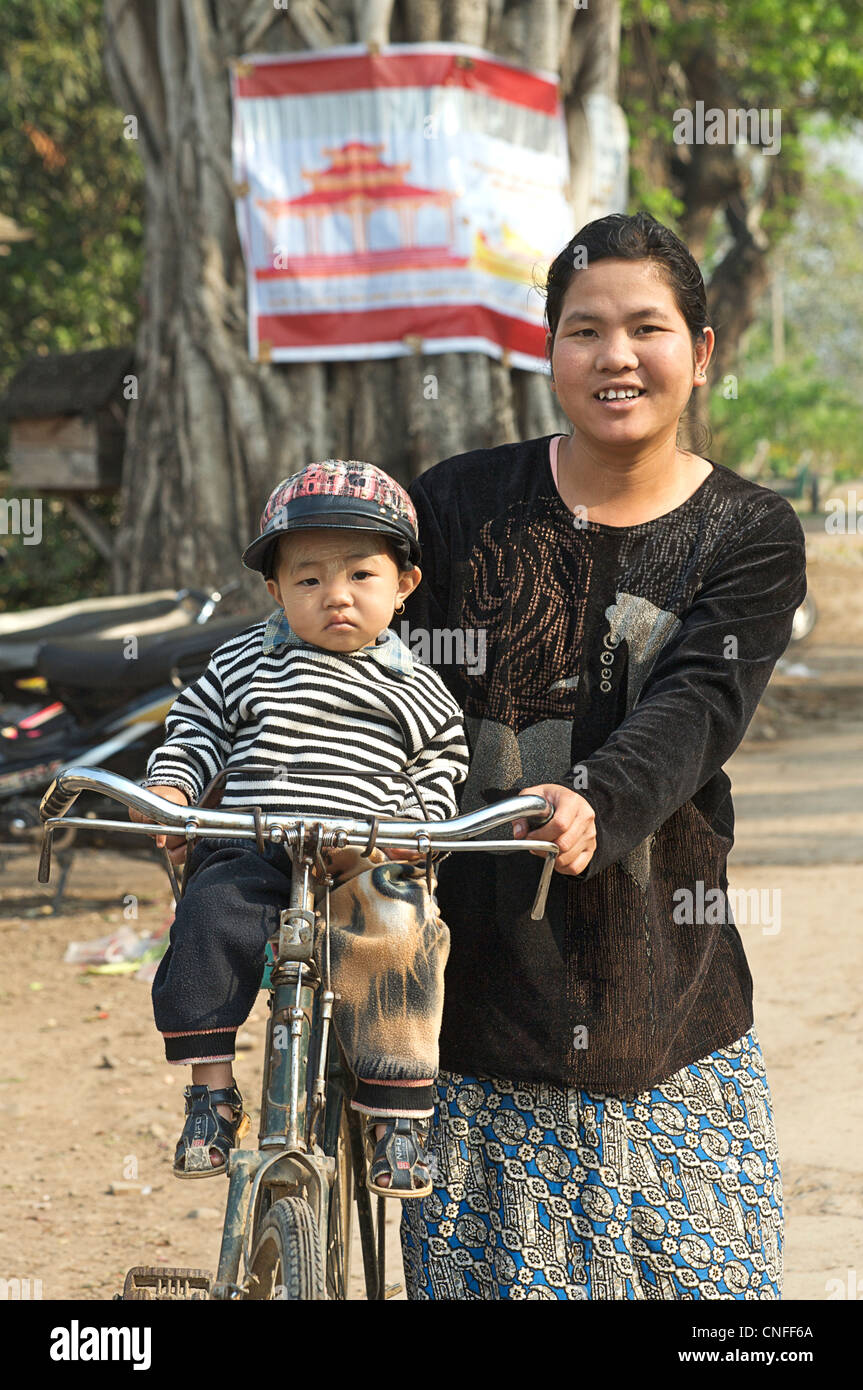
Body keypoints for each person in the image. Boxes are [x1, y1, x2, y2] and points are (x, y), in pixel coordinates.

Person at [399, 211, 807, 1299]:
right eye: (582, 330)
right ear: (547, 352)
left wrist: (592, 799)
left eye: (645, 327)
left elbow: (695, 706)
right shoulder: (454, 507)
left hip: (668, 1010)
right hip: (474, 1013)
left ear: (701, 352)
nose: (614, 356)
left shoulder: (748, 532)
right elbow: (372, 672)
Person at [130, 460, 469, 1195]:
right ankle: (211, 1095)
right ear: (275, 590)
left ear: (404, 584)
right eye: (308, 579)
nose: (335, 596)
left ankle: (395, 1119)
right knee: (209, 910)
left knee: (399, 931)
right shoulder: (243, 662)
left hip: (364, 852)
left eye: (360, 576)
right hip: (253, 842)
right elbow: (194, 731)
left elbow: (439, 767)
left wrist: (411, 831)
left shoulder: (417, 685)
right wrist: (169, 787)